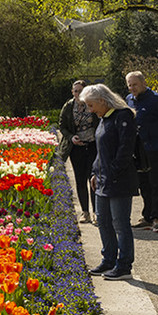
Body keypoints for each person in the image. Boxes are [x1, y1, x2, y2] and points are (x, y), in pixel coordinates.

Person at [81, 82, 138, 279]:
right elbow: (100, 151)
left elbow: (125, 149)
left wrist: (112, 172)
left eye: (91, 105)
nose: (90, 110)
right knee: (103, 221)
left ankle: (124, 266)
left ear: (102, 101)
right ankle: (109, 260)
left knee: (120, 224)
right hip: (103, 179)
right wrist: (95, 173)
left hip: (119, 180)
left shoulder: (123, 116)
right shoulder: (103, 118)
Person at [125, 71, 158, 233]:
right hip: (137, 149)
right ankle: (146, 216)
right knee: (143, 182)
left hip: (154, 148)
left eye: (135, 84)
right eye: (129, 85)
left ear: (143, 83)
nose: (132, 88)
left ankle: (157, 218)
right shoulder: (128, 100)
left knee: (155, 182)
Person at [58, 79, 98, 223]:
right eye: (75, 91)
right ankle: (85, 212)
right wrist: (71, 137)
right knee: (80, 180)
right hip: (76, 148)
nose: (78, 93)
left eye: (80, 91)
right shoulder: (68, 106)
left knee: (94, 179)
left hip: (92, 145)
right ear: (72, 92)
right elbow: (62, 126)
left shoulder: (93, 104)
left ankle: (96, 213)